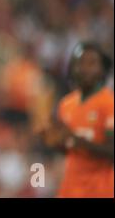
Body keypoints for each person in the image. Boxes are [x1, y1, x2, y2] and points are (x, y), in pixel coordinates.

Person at [42, 42, 114, 197]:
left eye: (92, 63)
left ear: (103, 70)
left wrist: (76, 140)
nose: (85, 68)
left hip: (99, 190)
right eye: (81, 63)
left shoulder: (109, 104)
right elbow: (69, 150)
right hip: (70, 188)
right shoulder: (66, 104)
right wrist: (55, 141)